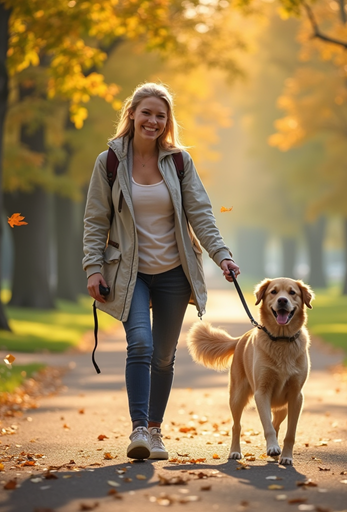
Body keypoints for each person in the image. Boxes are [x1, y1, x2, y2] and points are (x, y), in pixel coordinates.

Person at [82, 82, 240, 461]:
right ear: (132, 114)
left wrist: (223, 256)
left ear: (167, 121)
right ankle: (138, 429)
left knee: (164, 357)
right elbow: (95, 221)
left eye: (160, 115)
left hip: (173, 272)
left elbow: (201, 214)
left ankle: (155, 430)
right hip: (128, 272)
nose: (153, 120)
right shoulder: (109, 162)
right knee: (140, 343)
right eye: (147, 113)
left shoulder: (179, 162)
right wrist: (93, 268)